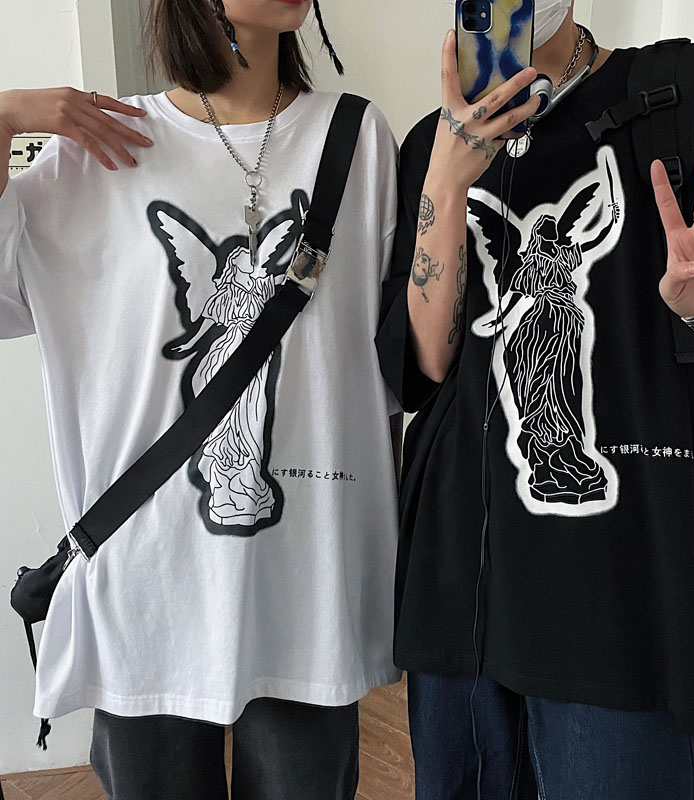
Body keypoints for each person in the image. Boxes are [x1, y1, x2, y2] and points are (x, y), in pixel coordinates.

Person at [377, 2, 694, 798]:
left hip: (616, 585)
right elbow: (420, 371)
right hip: (459, 577)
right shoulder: (431, 144)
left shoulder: (672, 92)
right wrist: (446, 184)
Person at [0, 1, 400, 798]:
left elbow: (387, 358)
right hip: (144, 590)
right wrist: (4, 115)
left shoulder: (358, 139)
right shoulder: (99, 151)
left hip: (306, 585)